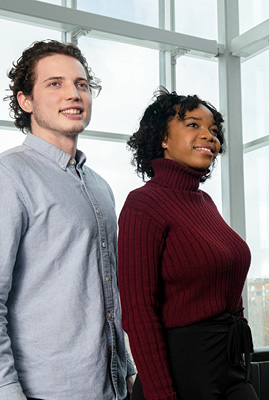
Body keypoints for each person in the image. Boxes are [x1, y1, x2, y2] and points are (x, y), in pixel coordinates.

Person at [0, 40, 135, 399]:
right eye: (54, 83)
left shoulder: (100, 186)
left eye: (81, 84)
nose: (73, 94)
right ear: (25, 100)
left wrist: (128, 367)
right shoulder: (8, 176)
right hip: (46, 391)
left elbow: (107, 289)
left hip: (111, 387)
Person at [118, 89, 258, 400]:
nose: (209, 136)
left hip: (229, 365)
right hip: (179, 375)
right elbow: (139, 312)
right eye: (193, 125)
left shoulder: (204, 202)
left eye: (213, 130)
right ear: (163, 138)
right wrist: (162, 395)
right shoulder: (143, 204)